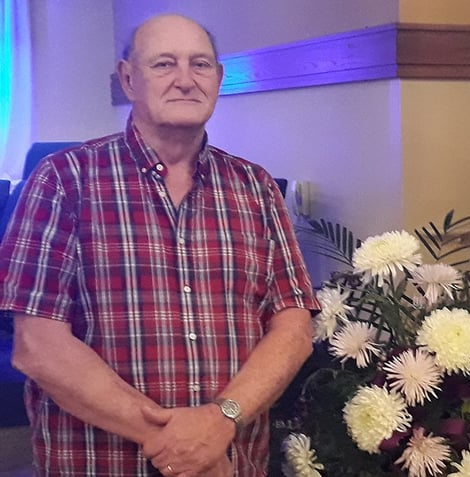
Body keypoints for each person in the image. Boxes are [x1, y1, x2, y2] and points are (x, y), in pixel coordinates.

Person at [0, 13, 319, 476]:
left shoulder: (256, 187)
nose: (185, 80)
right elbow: (37, 345)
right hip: (100, 463)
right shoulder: (64, 180)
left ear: (219, 78)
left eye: (201, 65)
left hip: (234, 460)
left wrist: (221, 419)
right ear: (129, 79)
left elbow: (292, 326)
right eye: (164, 64)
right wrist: (178, 442)